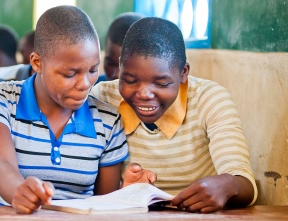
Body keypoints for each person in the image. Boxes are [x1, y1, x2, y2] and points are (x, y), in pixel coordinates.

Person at [0, 6, 135, 214]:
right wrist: (19, 191)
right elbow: (2, 165)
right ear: (37, 62)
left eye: (93, 70)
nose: (85, 84)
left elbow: (102, 206)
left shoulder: (107, 120)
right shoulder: (0, 99)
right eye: (69, 74)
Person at [91, 17, 258, 213]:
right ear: (120, 67)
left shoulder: (209, 99)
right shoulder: (102, 98)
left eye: (161, 84)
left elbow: (245, 184)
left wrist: (228, 186)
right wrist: (124, 191)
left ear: (183, 72)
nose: (144, 94)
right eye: (130, 80)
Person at [96, 12, 143, 84]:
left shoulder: (149, 94)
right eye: (110, 64)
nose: (116, 75)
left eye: (127, 67)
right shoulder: (95, 88)